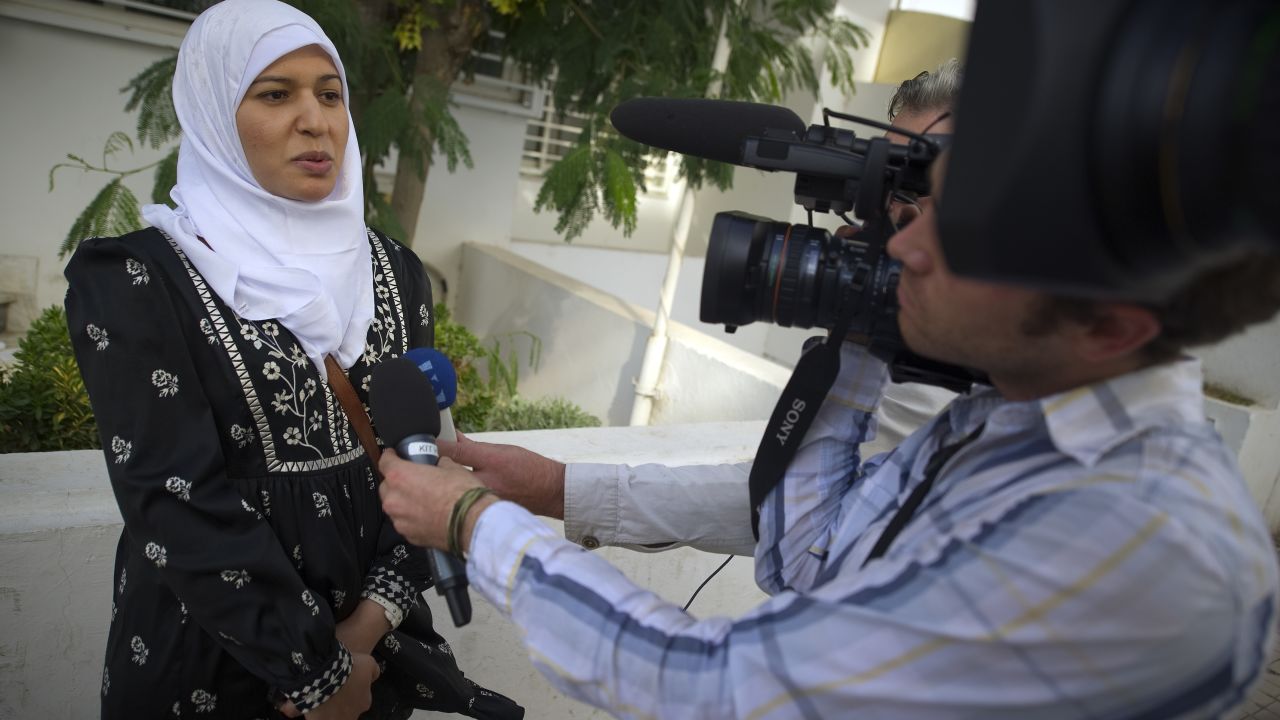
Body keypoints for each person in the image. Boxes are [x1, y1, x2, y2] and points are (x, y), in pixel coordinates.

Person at [377, 90, 1280, 717]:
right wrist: (559, 486)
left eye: (950, 227)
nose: (904, 247)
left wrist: (474, 525)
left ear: (1114, 321)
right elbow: (815, 542)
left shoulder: (1134, 537)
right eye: (910, 206)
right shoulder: (1009, 423)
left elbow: (708, 689)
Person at [64, 1, 523, 718]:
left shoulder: (395, 272)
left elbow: (424, 459)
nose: (317, 121)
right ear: (215, 114)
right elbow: (172, 496)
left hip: (377, 660)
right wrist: (315, 673)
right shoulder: (138, 280)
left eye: (329, 93)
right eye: (276, 94)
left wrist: (362, 637)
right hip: (210, 666)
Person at [437, 62, 966, 558]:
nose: (890, 223)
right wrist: (555, 485)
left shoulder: (977, 389)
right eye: (889, 188)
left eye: (918, 189)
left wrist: (489, 528)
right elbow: (788, 502)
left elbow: (809, 533)